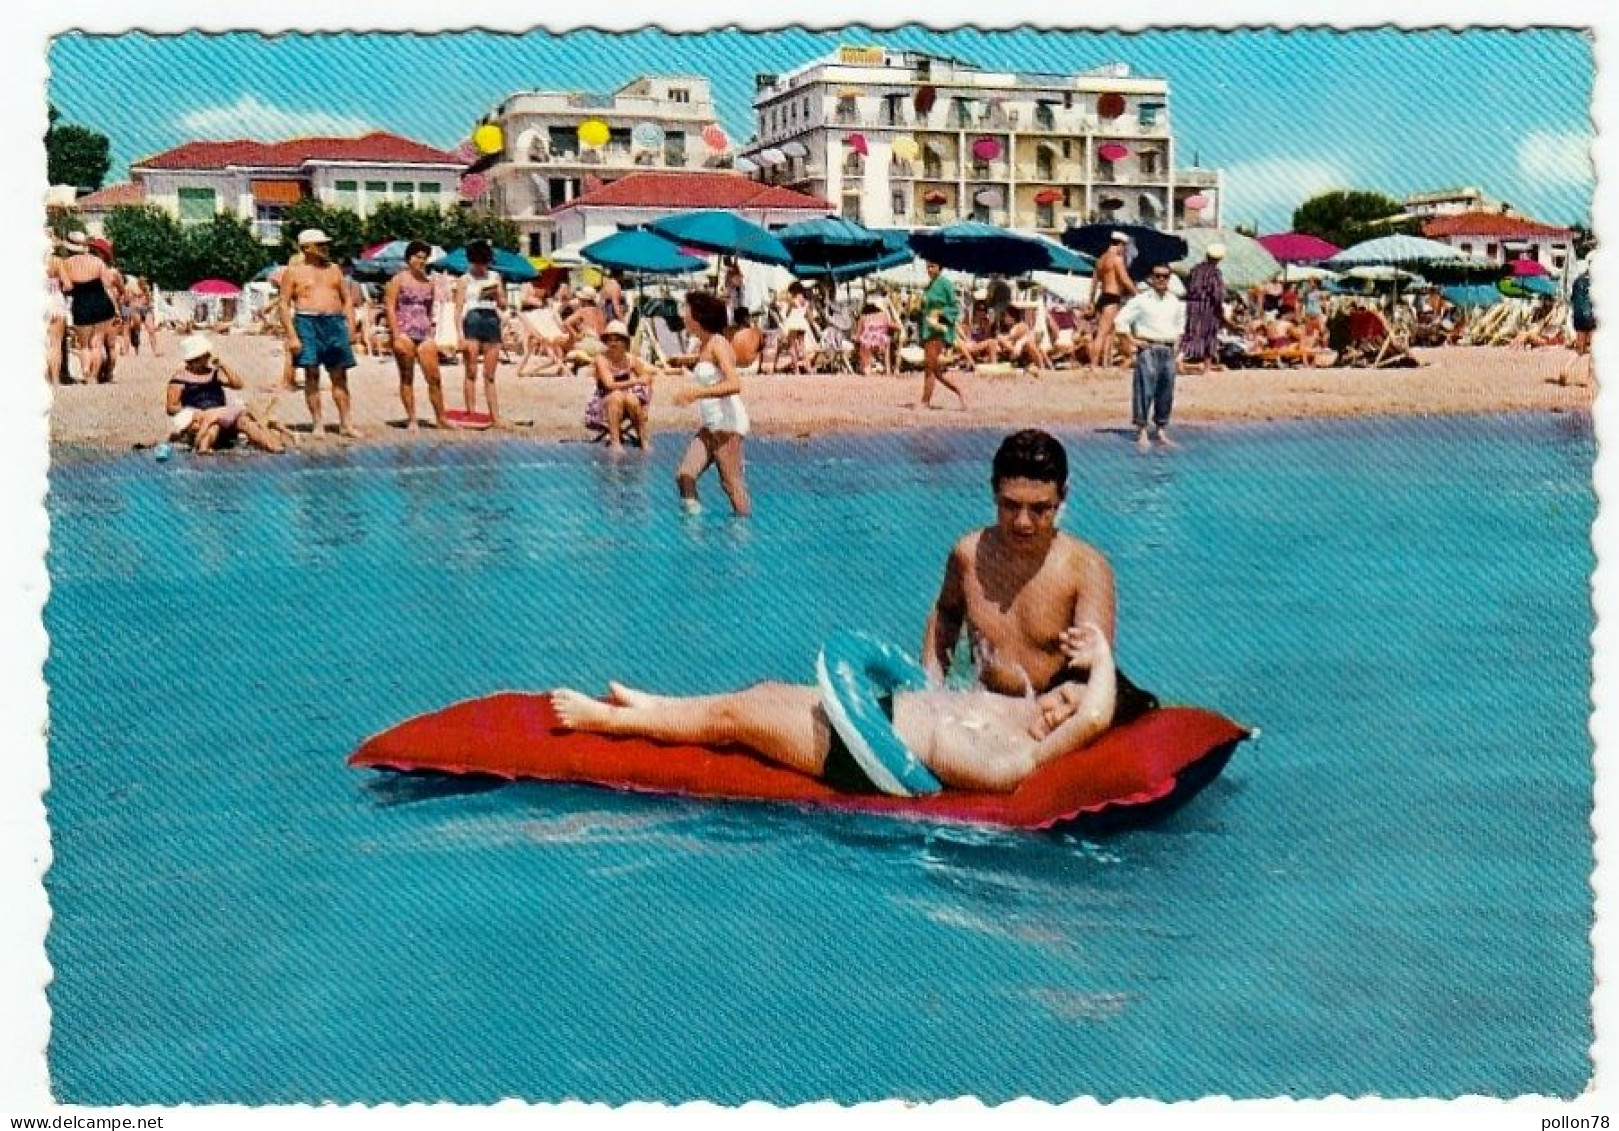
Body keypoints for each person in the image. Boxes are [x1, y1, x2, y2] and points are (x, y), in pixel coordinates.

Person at [551, 619, 1116, 795]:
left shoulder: (1023, 759)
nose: (1058, 709)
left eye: (1067, 718)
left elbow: (1093, 717)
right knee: (759, 694)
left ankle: (613, 721)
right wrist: (1085, 670)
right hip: (868, 717)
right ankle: (657, 705)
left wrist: (1103, 657)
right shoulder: (1014, 701)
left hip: (862, 755)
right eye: (1063, 695)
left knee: (737, 720)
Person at [672, 290, 751, 517]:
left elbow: (735, 384)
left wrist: (696, 393)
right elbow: (708, 368)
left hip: (727, 423)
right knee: (685, 476)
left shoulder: (718, 343)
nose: (683, 315)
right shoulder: (704, 344)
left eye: (686, 310)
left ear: (698, 316)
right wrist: (682, 360)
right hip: (711, 423)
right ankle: (694, 530)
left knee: (731, 484)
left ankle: (743, 537)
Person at [281, 230, 361, 438]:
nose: (325, 248)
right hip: (307, 322)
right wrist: (292, 335)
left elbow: (347, 300)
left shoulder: (334, 270)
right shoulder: (293, 272)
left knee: (339, 375)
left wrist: (351, 327)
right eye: (320, 244)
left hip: (334, 323)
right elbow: (283, 304)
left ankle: (346, 423)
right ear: (307, 247)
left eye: (325, 244)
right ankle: (318, 423)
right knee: (311, 374)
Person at [165, 334, 285, 455]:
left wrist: (223, 365)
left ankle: (272, 446)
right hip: (200, 418)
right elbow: (171, 407)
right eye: (204, 356)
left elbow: (238, 384)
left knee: (245, 422)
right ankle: (203, 450)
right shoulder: (180, 378)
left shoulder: (214, 373)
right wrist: (198, 413)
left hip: (222, 414)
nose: (208, 357)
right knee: (213, 427)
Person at [1115, 264, 1186, 450]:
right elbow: (1120, 320)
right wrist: (1132, 340)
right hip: (1148, 347)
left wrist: (1178, 347)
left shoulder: (1174, 301)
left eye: (1165, 276)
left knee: (1166, 391)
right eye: (1157, 276)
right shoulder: (1141, 300)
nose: (1161, 280)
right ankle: (1142, 429)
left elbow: (1180, 325)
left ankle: (1161, 428)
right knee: (1144, 390)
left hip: (1168, 349)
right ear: (1151, 278)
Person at [382, 240, 449, 430]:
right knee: (407, 376)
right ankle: (412, 418)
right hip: (404, 330)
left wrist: (432, 330)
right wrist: (395, 334)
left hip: (424, 331)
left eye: (424, 258)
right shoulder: (399, 279)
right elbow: (390, 306)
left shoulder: (429, 282)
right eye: (417, 257)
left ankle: (440, 417)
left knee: (434, 377)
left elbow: (429, 309)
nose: (421, 261)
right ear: (409, 258)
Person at [56, 231, 121, 384]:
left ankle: (85, 371)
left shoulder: (66, 264)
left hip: (81, 304)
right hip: (101, 303)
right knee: (96, 344)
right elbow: (107, 286)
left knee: (84, 345)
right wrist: (116, 309)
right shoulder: (98, 262)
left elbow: (66, 287)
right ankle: (93, 374)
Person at [454, 240, 505, 425]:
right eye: (477, 263)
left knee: (490, 374)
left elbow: (504, 305)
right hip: (473, 319)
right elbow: (459, 309)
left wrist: (497, 294)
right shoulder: (464, 280)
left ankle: (495, 415)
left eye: (483, 263)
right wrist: (459, 335)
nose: (481, 267)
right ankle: (471, 412)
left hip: (491, 318)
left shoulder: (495, 276)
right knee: (471, 370)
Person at [585, 320, 658, 451]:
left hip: (627, 401)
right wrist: (635, 382)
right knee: (617, 396)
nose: (612, 343)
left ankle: (643, 440)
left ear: (624, 342)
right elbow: (609, 384)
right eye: (609, 340)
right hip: (604, 403)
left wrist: (646, 405)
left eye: (617, 340)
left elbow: (648, 378)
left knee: (632, 399)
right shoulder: (601, 359)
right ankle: (615, 442)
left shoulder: (630, 359)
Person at [918, 260, 968, 409]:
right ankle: (926, 401)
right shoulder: (928, 285)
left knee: (933, 368)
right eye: (927, 266)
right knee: (930, 368)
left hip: (939, 330)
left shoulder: (945, 283)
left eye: (932, 266)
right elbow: (925, 308)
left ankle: (958, 392)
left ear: (940, 268)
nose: (929, 269)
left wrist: (940, 313)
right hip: (928, 329)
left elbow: (954, 308)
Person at [1088, 231, 1134, 367]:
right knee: (1102, 333)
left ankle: (1105, 363)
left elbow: (1094, 283)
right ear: (1120, 244)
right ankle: (1094, 365)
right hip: (1112, 297)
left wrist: (1091, 301)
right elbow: (1125, 280)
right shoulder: (1117, 259)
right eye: (1124, 247)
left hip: (1102, 297)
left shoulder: (1100, 260)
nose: (1124, 250)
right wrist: (1137, 293)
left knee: (1108, 333)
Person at [1181, 243, 1226, 373]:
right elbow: (1217, 293)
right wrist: (1220, 310)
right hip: (1208, 307)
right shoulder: (1215, 273)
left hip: (1192, 306)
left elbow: (1188, 286)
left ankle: (1181, 358)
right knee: (1209, 334)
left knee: (1192, 333)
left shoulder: (1195, 270)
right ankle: (1207, 367)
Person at [1560, 267, 1595, 387]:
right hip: (1591, 318)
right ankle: (1589, 381)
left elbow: (1572, 299)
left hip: (1578, 317)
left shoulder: (1577, 281)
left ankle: (1565, 369)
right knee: (1594, 350)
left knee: (1579, 350)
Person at [728, 307, 763, 373]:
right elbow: (761, 347)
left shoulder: (729, 332)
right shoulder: (755, 332)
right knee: (760, 351)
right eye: (749, 317)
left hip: (734, 368)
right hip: (752, 368)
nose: (751, 319)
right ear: (746, 319)